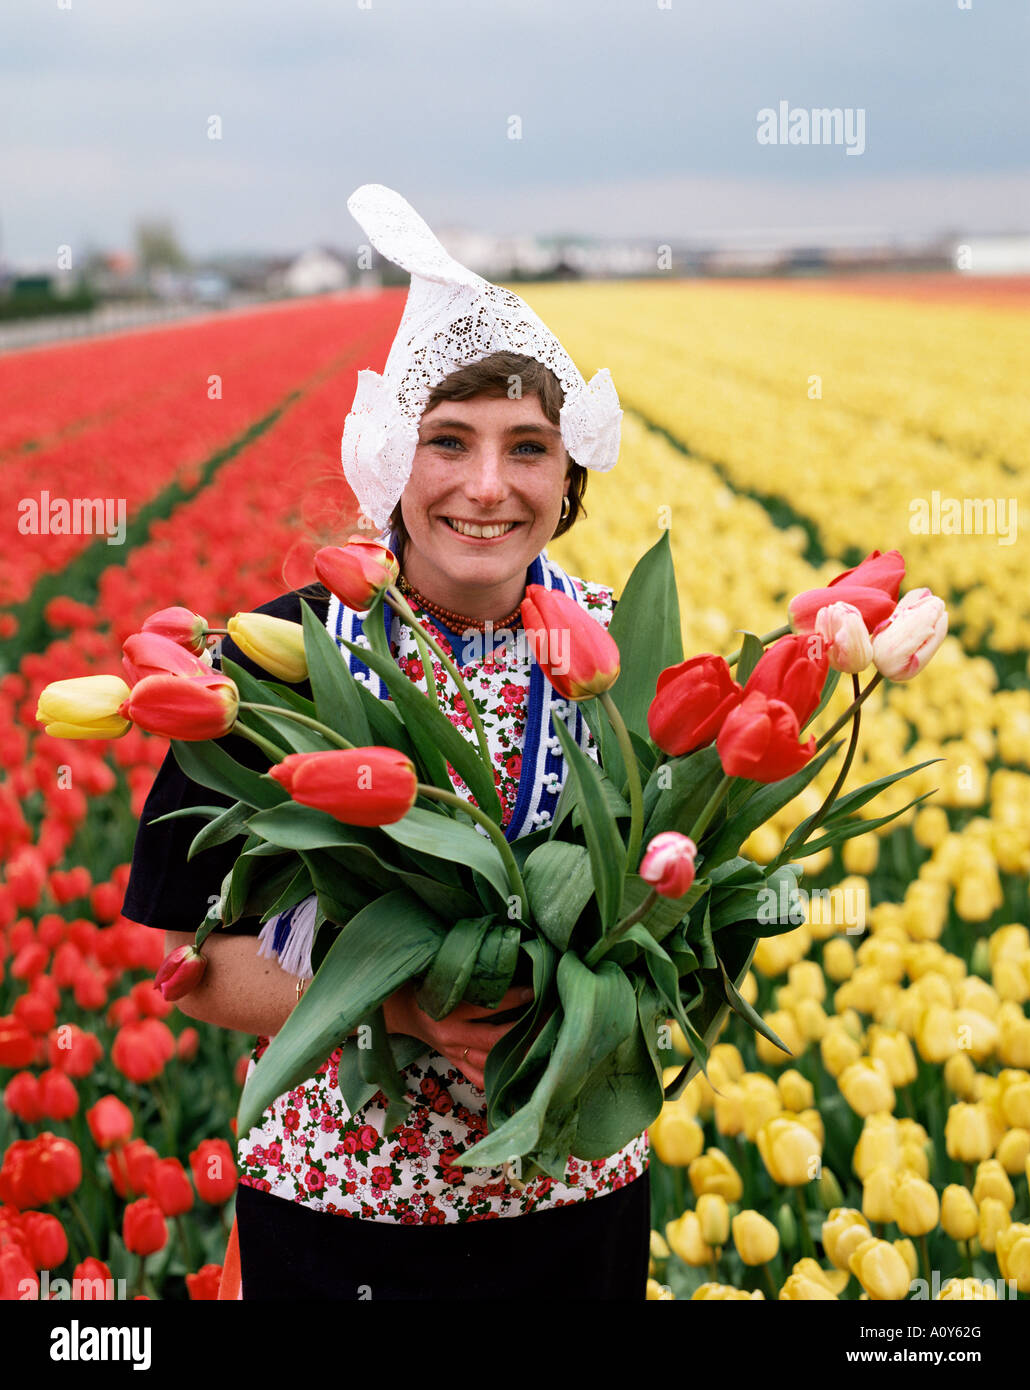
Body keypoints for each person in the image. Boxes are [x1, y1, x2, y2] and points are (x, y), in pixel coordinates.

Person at [120, 186, 651, 1300]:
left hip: (572, 1199)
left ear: (568, 478)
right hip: (340, 1207)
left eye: (528, 448)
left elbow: (673, 911)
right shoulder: (270, 665)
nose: (485, 486)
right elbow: (173, 959)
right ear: (386, 468)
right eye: (445, 442)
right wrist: (395, 1000)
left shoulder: (622, 653)